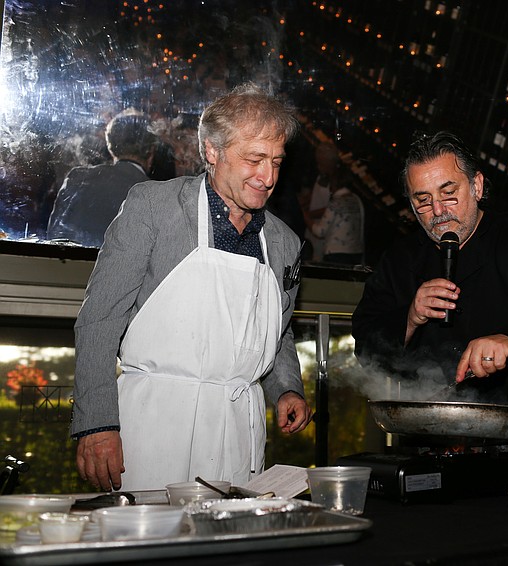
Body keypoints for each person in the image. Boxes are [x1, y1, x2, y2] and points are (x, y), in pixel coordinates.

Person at [70, 83, 313, 492]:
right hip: (152, 427)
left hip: (238, 433)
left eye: (276, 161)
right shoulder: (154, 208)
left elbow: (276, 329)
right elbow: (100, 318)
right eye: (254, 159)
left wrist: (285, 388)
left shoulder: (285, 241)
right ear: (213, 151)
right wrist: (96, 424)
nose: (268, 177)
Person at [351, 131, 508, 478]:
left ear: (477, 186)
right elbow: (365, 342)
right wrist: (409, 317)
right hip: (430, 446)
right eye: (422, 200)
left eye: (449, 194)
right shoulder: (399, 259)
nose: (437, 211)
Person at [46, 109, 156, 247]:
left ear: (111, 146)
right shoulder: (156, 195)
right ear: (151, 151)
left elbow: (54, 239)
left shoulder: (79, 178)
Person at [306, 143, 364, 265]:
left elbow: (320, 231)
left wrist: (304, 214)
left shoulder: (336, 202)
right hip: (355, 254)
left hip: (335, 254)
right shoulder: (356, 199)